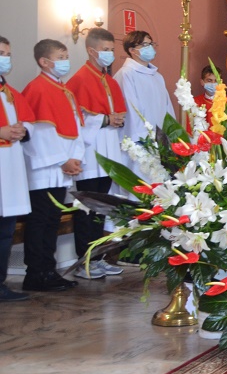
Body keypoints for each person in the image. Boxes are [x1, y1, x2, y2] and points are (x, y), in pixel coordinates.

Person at [19, 40, 83, 292]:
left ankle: (49, 269)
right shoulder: (37, 89)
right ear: (44, 62)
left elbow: (75, 126)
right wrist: (62, 160)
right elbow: (40, 133)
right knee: (39, 220)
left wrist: (75, 157)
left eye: (66, 56)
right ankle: (35, 273)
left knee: (52, 220)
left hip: (61, 167)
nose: (66, 61)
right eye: (60, 57)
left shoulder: (63, 89)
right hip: (44, 167)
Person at [66, 28, 127, 280]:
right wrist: (105, 119)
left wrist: (116, 119)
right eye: (105, 50)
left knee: (102, 206)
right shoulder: (80, 79)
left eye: (112, 50)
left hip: (108, 149)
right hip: (90, 151)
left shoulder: (108, 80)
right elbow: (76, 118)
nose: (109, 54)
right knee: (87, 208)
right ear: (91, 51)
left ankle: (98, 258)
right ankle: (84, 261)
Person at [114, 30, 174, 181]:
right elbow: (131, 108)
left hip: (160, 141)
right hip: (139, 141)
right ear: (132, 50)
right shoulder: (126, 74)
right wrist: (144, 140)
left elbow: (167, 107)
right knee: (140, 182)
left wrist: (171, 133)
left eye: (151, 44)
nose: (150, 48)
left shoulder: (157, 76)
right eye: (145, 45)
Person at [0, 36, 33, 301]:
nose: (6, 59)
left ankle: (1, 283)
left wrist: (22, 130)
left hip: (9, 167)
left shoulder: (9, 92)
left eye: (8, 54)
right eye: (1, 53)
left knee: (6, 229)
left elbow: (27, 120)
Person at [193, 66, 227, 131]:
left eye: (216, 81)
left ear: (221, 82)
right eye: (209, 80)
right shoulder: (195, 102)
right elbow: (190, 127)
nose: (213, 84)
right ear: (202, 82)